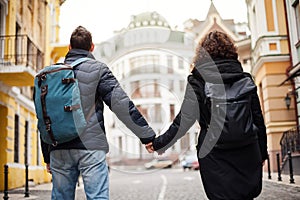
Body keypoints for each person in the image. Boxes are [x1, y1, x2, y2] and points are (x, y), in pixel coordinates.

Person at [146, 31, 268, 200]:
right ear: (231, 52)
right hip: (247, 150)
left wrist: (159, 143)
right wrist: (262, 153)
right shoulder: (246, 80)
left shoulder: (198, 82)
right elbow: (258, 120)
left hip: (214, 154)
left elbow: (183, 121)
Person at [40, 26, 156, 200]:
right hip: (91, 146)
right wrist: (146, 136)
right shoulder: (99, 70)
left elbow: (44, 117)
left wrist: (47, 154)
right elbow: (121, 104)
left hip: (59, 148)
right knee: (97, 197)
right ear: (92, 47)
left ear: (69, 48)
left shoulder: (52, 74)